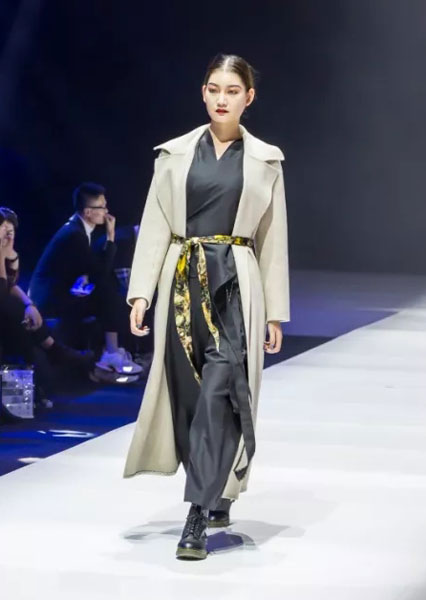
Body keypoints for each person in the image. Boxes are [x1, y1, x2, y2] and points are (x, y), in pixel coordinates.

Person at [124, 54, 290, 560]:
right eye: (214, 89)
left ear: (249, 97)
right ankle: (215, 488)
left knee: (221, 390)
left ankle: (196, 514)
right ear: (203, 92)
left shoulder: (264, 160)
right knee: (191, 397)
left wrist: (275, 311)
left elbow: (272, 237)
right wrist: (141, 291)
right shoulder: (173, 155)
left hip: (234, 287)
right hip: (181, 283)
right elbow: (156, 223)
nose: (222, 98)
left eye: (232, 91)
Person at [28, 183, 142, 376]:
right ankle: (111, 353)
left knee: (105, 289)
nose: (106, 211)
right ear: (88, 212)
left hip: (60, 293)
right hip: (49, 301)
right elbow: (100, 271)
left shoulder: (78, 229)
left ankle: (112, 350)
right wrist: (111, 236)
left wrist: (83, 279)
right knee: (108, 290)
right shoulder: (74, 234)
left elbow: (81, 268)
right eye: (102, 207)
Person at [0, 207, 94, 395]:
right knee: (15, 314)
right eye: (3, 230)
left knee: (24, 321)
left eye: (11, 231)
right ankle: (53, 349)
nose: (8, 236)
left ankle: (30, 393)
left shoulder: (9, 253)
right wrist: (2, 255)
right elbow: (2, 290)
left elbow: (11, 285)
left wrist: (30, 304)